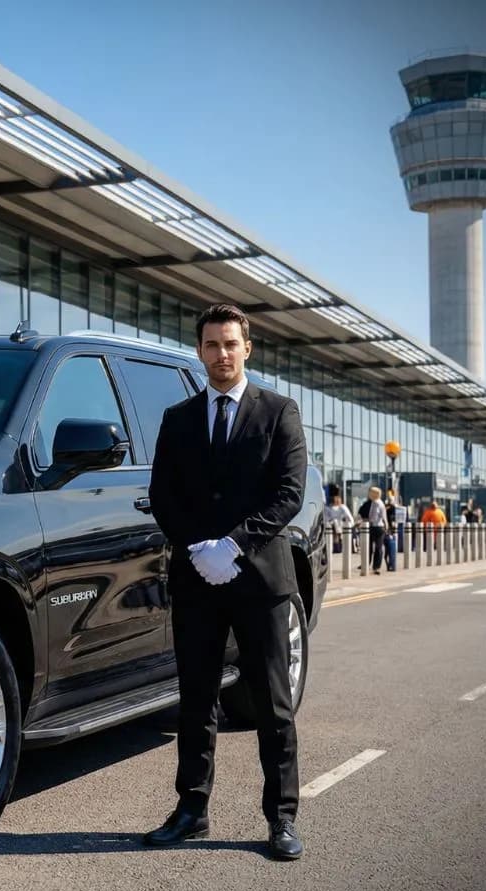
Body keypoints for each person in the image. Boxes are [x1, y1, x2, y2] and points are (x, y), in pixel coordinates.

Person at [146, 303, 307, 861]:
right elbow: (163, 497)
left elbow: (289, 495)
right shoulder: (178, 418)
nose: (221, 355)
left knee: (272, 704)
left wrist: (233, 545)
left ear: (248, 348)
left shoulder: (279, 411)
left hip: (260, 580)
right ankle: (192, 810)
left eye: (230, 344)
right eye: (211, 345)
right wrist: (200, 550)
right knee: (195, 701)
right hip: (197, 580)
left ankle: (281, 818)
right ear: (199, 350)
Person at [365, 486, 388, 574]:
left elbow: (374, 517)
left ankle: (375, 566)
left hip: (376, 527)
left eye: (370, 493)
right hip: (379, 527)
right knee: (377, 547)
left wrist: (366, 520)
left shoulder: (376, 503)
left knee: (375, 547)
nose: (369, 494)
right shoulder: (378, 502)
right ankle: (375, 566)